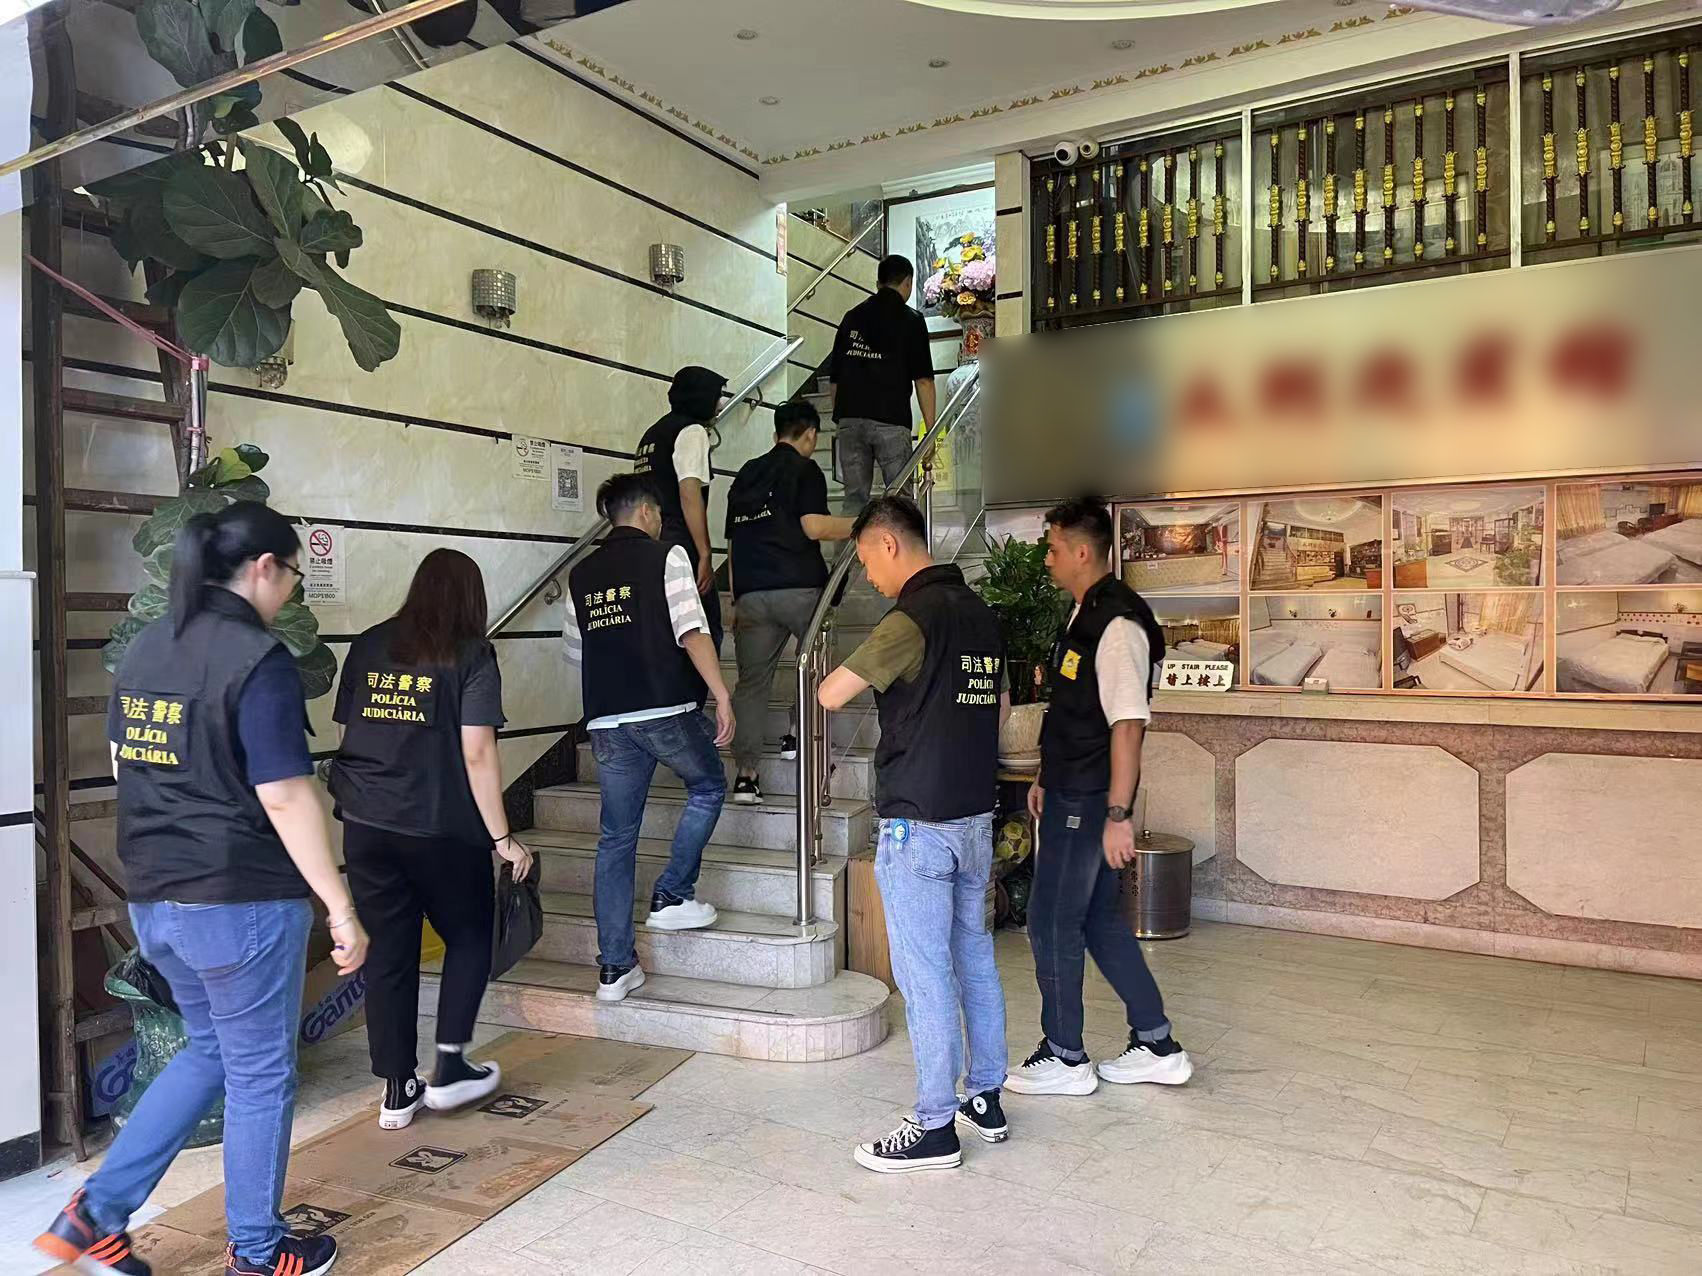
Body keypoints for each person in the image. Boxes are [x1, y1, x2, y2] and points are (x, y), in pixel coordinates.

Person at [36, 503, 369, 1276]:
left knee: (209, 1050)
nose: (289, 592)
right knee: (260, 1073)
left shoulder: (149, 646)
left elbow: (123, 763)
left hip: (155, 897)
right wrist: (341, 907)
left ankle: (94, 1214)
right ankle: (258, 1252)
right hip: (239, 900)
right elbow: (285, 795)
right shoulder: (257, 659)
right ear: (264, 568)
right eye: (291, 576)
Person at [819, 495, 1009, 1173]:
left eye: (866, 560)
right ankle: (984, 1097)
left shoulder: (911, 618)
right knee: (974, 958)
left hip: (918, 825)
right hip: (975, 817)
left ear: (889, 544)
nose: (868, 576)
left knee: (924, 973)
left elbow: (830, 692)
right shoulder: (981, 615)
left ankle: (934, 1126)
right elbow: (1000, 707)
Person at [329, 548, 534, 1131]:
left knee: (389, 952)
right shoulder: (471, 653)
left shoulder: (369, 644)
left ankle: (398, 1088)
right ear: (472, 598)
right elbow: (478, 752)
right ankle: (449, 1067)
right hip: (440, 826)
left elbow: (350, 730)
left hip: (367, 825)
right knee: (469, 935)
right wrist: (503, 838)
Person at [1004, 497, 1194, 1097]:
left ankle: (1065, 1055)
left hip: (1089, 802)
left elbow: (1127, 726)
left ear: (1083, 552)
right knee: (1095, 919)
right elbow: (1076, 712)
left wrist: (1118, 815)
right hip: (1070, 789)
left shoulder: (1117, 625)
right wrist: (1044, 773)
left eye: (1054, 548)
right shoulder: (1085, 614)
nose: (1047, 558)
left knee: (1050, 918)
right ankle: (1156, 1044)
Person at [563, 473, 735, 1002]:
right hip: (664, 708)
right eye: (658, 513)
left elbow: (575, 652)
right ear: (644, 512)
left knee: (616, 838)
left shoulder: (580, 574)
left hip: (606, 720)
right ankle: (673, 894)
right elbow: (692, 630)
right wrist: (721, 693)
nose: (660, 520)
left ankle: (615, 968)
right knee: (708, 785)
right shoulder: (668, 557)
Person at [725, 400, 855, 804]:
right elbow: (814, 527)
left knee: (751, 685)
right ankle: (798, 733)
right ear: (811, 434)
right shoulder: (805, 469)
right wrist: (861, 524)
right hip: (801, 590)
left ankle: (746, 776)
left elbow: (733, 543)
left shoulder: (746, 472)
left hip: (751, 593)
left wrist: (736, 598)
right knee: (814, 663)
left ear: (775, 432)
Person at [829, 254, 937, 514]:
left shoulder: (851, 317)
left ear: (878, 283)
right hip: (891, 419)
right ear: (907, 282)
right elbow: (923, 380)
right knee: (900, 500)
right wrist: (930, 432)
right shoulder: (911, 320)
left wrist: (842, 420)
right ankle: (899, 542)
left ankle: (852, 542)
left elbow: (835, 379)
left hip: (850, 418)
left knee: (854, 500)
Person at [634, 364, 728, 653]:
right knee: (702, 628)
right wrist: (705, 553)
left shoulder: (651, 435)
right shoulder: (691, 431)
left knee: (663, 629)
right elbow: (689, 493)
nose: (721, 404)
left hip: (647, 543)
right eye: (718, 395)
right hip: (678, 541)